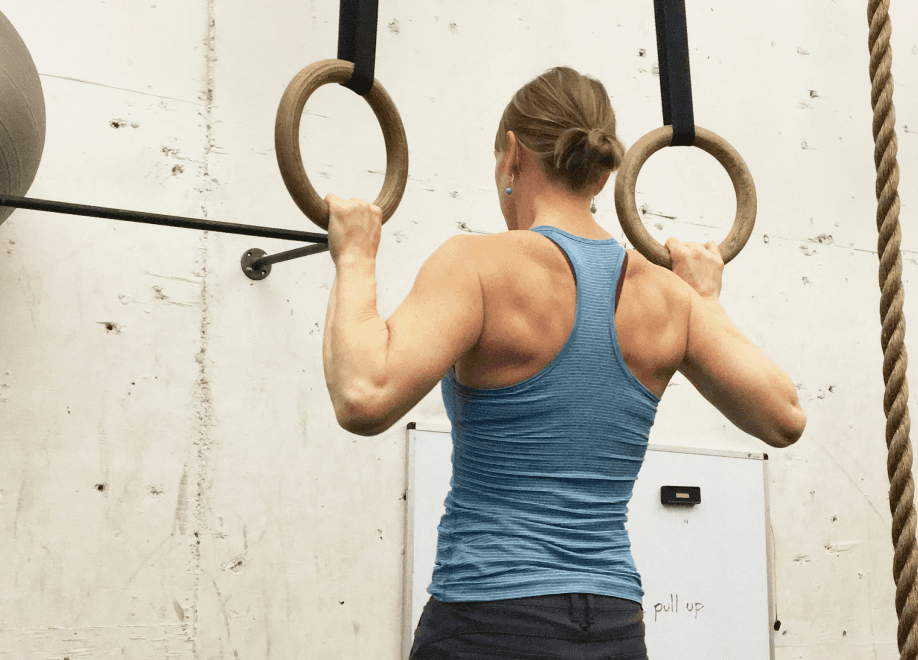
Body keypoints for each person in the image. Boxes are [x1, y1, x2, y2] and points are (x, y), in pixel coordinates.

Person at [322, 66, 805, 660]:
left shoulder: (475, 265)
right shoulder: (669, 298)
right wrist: (705, 301)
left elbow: (362, 395)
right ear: (604, 173)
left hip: (489, 619)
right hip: (613, 628)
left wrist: (355, 258)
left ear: (512, 155)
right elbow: (785, 416)